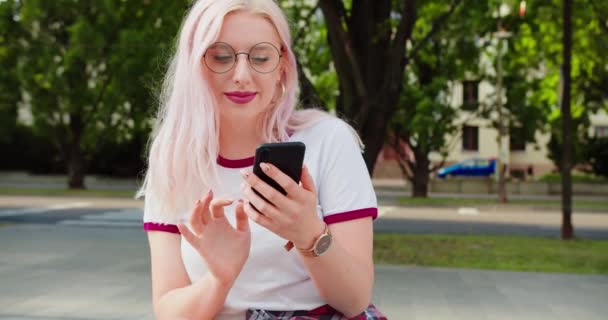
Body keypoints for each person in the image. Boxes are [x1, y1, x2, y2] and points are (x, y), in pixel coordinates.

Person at [137, 1, 385, 319]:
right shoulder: (172, 156)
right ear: (195, 64)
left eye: (261, 57)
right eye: (221, 57)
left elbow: (354, 300)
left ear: (282, 65)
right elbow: (169, 310)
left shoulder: (328, 140)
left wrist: (307, 232)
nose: (242, 75)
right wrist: (219, 278)